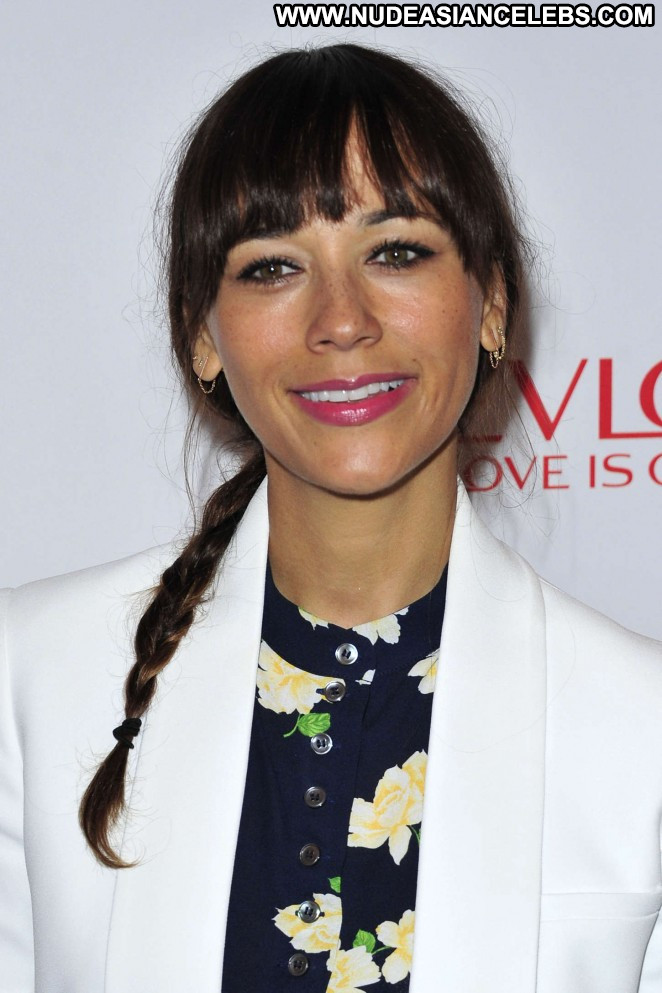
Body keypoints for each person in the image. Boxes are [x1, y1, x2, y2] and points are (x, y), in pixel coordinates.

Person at [1, 43, 661, 993]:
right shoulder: (32, 672)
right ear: (200, 334)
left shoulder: (642, 725)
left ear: (491, 303)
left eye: (396, 252)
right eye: (273, 267)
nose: (341, 320)